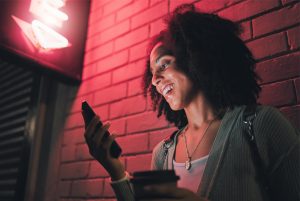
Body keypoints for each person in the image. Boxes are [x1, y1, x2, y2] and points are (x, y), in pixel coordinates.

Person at [83, 4, 300, 201]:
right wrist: (116, 171)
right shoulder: (163, 153)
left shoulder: (261, 126)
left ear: (195, 58)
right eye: (152, 75)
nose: (156, 81)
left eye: (164, 65)